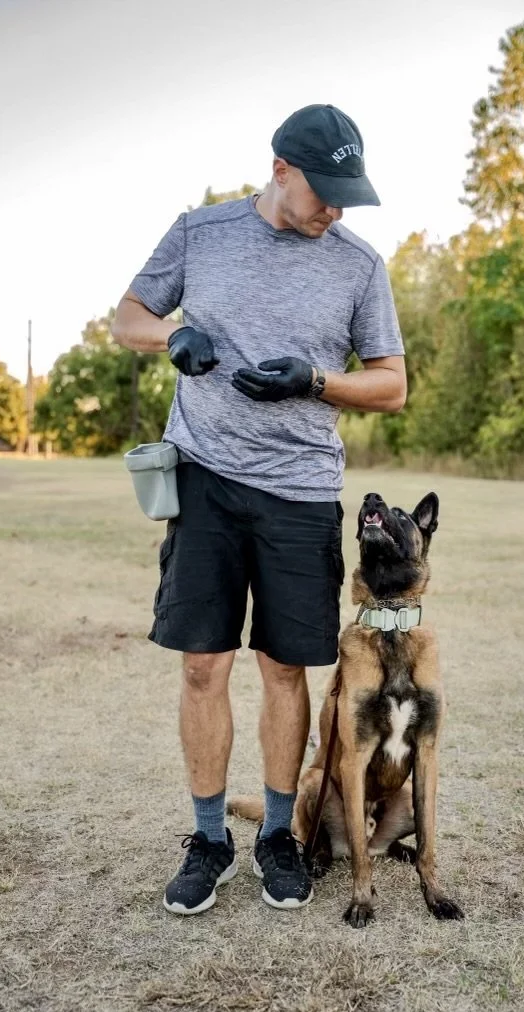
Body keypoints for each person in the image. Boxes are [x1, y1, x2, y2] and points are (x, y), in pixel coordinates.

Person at [111, 103, 406, 917]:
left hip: (302, 490)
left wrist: (315, 381)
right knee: (203, 664)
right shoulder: (200, 234)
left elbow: (391, 383)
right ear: (281, 171)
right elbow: (127, 316)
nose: (336, 210)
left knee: (285, 667)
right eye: (326, 193)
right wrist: (171, 337)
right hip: (204, 477)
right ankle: (209, 840)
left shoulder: (358, 264)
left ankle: (279, 834)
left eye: (349, 195)